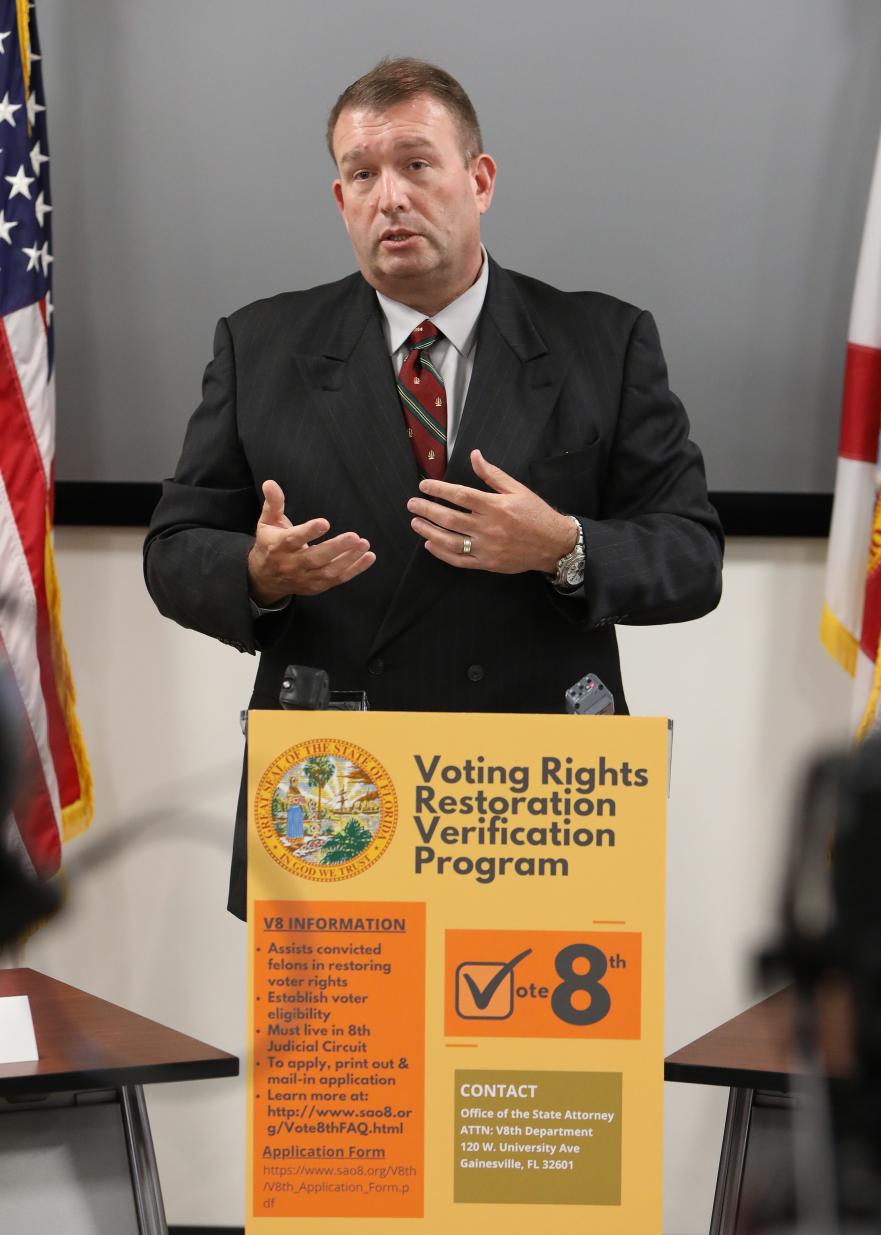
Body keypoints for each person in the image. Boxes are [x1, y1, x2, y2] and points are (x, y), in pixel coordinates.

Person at [143, 58, 724, 918]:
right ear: (340, 200)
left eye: (417, 164)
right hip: (336, 791)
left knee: (528, 1057)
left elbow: (692, 554)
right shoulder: (260, 345)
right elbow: (174, 549)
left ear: (478, 180)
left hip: (537, 800)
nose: (390, 197)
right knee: (348, 1057)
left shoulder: (604, 340)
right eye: (362, 175)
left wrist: (565, 548)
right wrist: (259, 574)